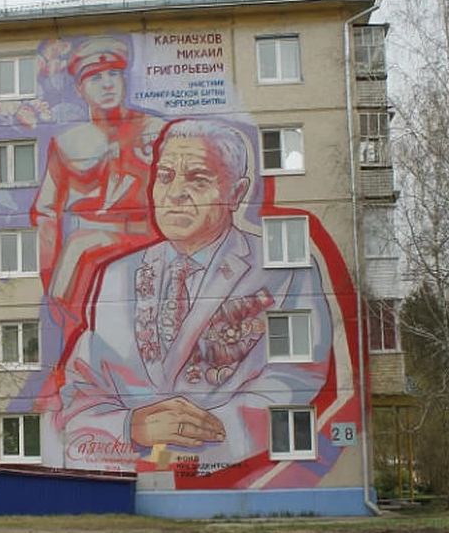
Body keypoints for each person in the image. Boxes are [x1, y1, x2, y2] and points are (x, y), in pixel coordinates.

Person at [56, 119, 333, 473]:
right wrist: (130, 426)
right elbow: (83, 388)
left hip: (235, 468)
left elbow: (297, 376)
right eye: (165, 176)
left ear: (237, 193)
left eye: (198, 179)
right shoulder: (116, 276)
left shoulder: (281, 269)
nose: (175, 194)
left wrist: (210, 433)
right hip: (135, 472)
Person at [31, 37, 165, 348]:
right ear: (79, 89)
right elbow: (46, 211)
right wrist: (50, 273)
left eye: (114, 74)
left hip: (148, 242)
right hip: (87, 258)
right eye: (95, 77)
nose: (107, 84)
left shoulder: (156, 130)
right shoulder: (67, 143)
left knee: (83, 246)